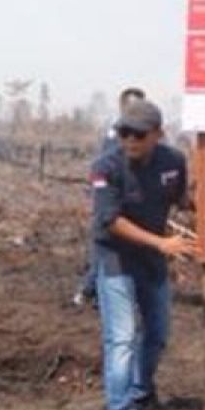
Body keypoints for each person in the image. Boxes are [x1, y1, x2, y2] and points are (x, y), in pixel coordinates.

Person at [89, 99, 195, 410]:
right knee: (122, 337)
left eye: (138, 134)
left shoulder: (173, 162)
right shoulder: (106, 167)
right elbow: (110, 220)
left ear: (158, 135)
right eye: (124, 132)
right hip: (116, 257)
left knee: (158, 333)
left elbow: (182, 200)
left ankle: (141, 391)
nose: (130, 140)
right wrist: (162, 243)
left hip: (151, 258)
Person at [75, 87, 148, 311]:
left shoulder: (125, 130)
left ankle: (96, 293)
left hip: (121, 197)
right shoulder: (120, 134)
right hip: (114, 198)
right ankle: (87, 292)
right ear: (124, 107)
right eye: (136, 106)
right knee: (107, 246)